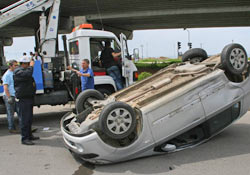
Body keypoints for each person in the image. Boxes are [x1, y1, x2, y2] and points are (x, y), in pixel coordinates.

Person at [14, 56, 39, 145]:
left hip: (28, 97)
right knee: (25, 119)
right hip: (23, 99)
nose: (29, 66)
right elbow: (27, 74)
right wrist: (31, 67)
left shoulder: (24, 70)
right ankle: (24, 139)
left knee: (29, 118)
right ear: (23, 64)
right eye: (27, 64)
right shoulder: (18, 71)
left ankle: (29, 135)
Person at [2, 60, 21, 133]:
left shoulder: (14, 73)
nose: (16, 67)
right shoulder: (7, 75)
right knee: (10, 113)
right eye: (15, 65)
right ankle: (11, 128)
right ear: (10, 66)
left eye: (17, 65)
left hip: (15, 96)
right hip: (9, 96)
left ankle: (24, 127)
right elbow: (5, 87)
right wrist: (9, 97)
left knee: (20, 112)